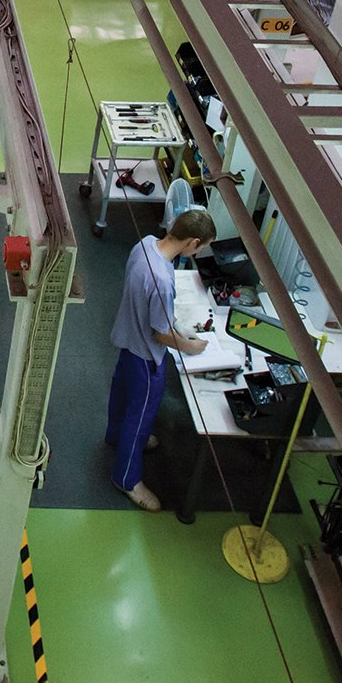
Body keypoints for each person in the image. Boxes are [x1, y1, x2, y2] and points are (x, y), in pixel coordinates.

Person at [105, 208, 215, 511]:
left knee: (121, 395)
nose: (199, 251)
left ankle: (114, 435)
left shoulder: (144, 245)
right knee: (139, 419)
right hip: (145, 357)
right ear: (192, 242)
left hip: (127, 340)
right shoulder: (162, 281)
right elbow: (160, 335)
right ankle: (127, 479)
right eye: (202, 247)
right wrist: (189, 347)